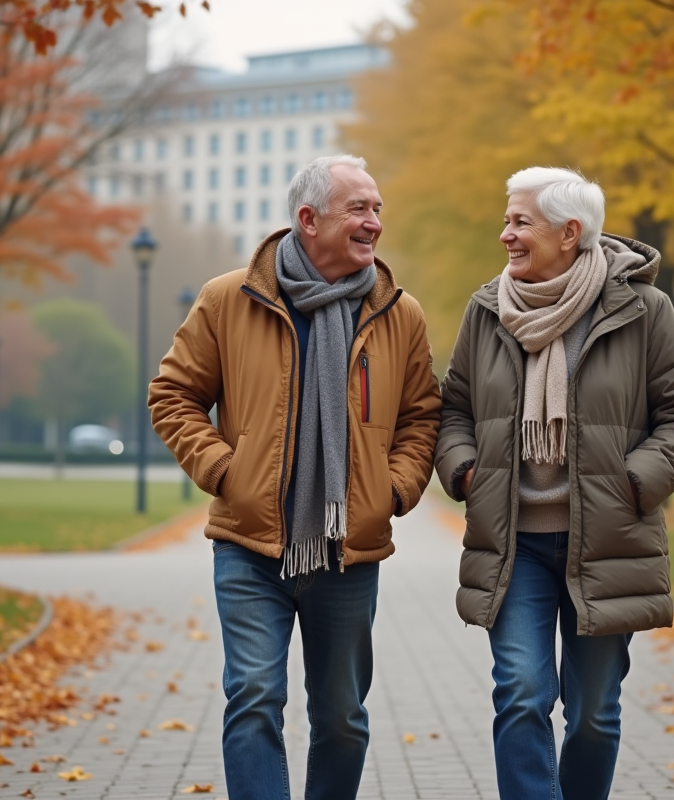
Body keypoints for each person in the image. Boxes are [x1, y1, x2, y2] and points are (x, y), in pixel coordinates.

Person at [149, 154, 441, 800]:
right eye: (359, 209)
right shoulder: (229, 299)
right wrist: (227, 471)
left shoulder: (399, 312)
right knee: (253, 697)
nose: (374, 223)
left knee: (341, 718)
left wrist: (391, 491)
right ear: (308, 220)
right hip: (250, 544)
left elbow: (423, 416)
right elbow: (172, 395)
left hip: (349, 549)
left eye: (377, 209)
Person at [434, 167, 674, 800]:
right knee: (522, 695)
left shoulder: (642, 310)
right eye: (507, 219)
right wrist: (465, 469)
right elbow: (454, 410)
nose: (505, 233)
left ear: (570, 231)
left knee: (593, 715)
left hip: (608, 542)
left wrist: (632, 484)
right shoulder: (487, 309)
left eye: (520, 221)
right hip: (516, 547)